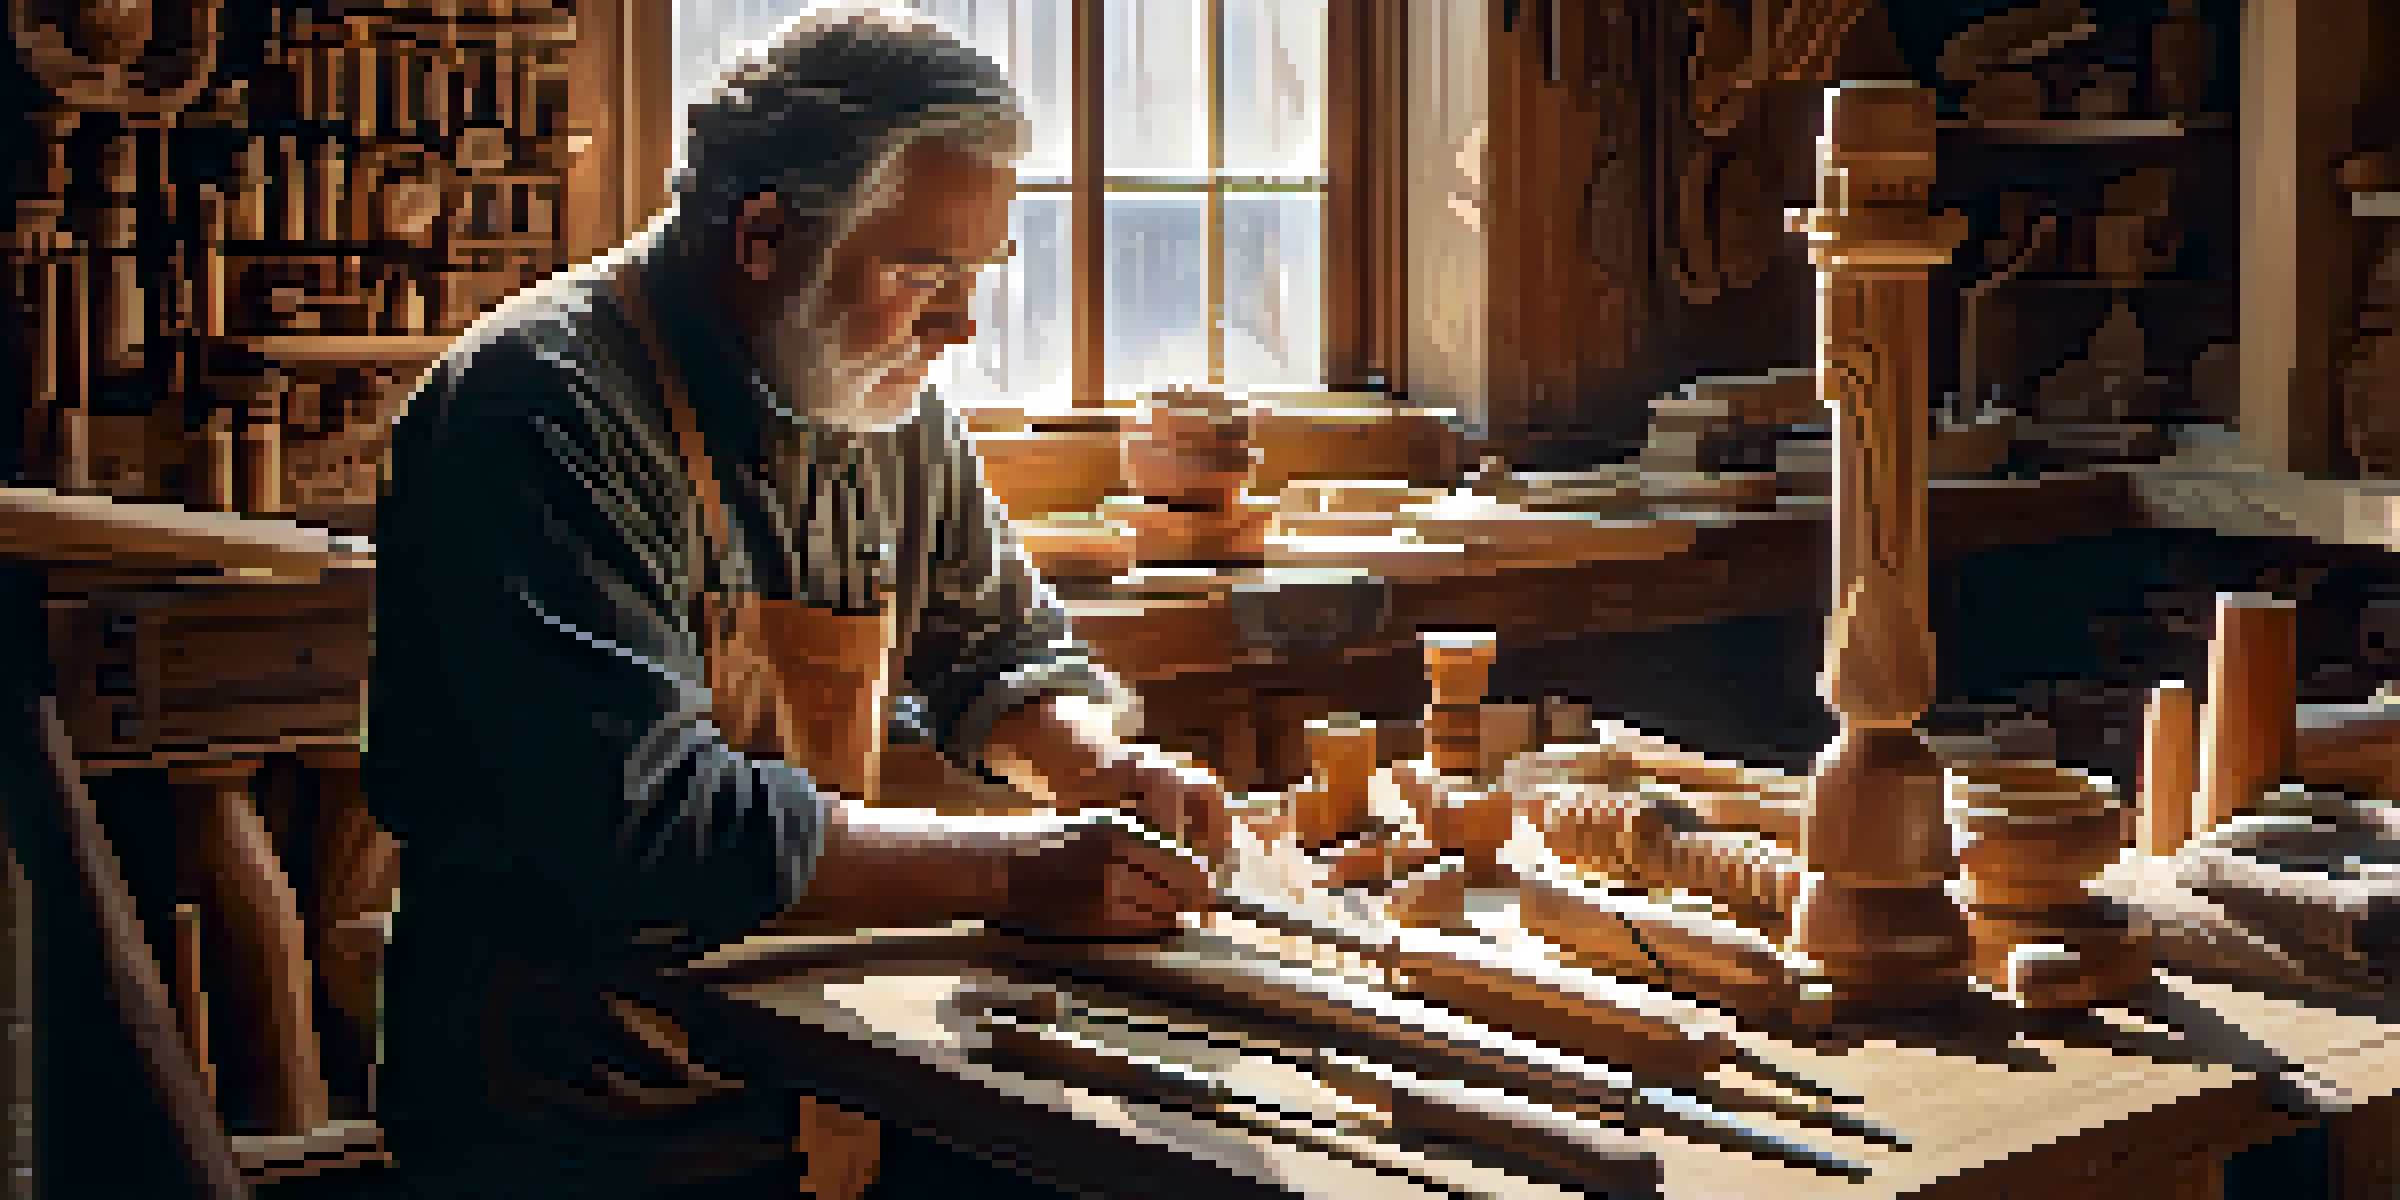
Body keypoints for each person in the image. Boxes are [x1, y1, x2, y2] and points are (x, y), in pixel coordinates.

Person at [366, 6, 1226, 1197]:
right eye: (926, 274)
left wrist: (1094, 774)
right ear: (763, 234)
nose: (963, 325)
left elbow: (998, 645)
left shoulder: (877, 390)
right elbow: (649, 827)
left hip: (806, 1064)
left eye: (977, 279)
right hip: (571, 1118)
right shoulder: (542, 410)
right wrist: (1018, 866)